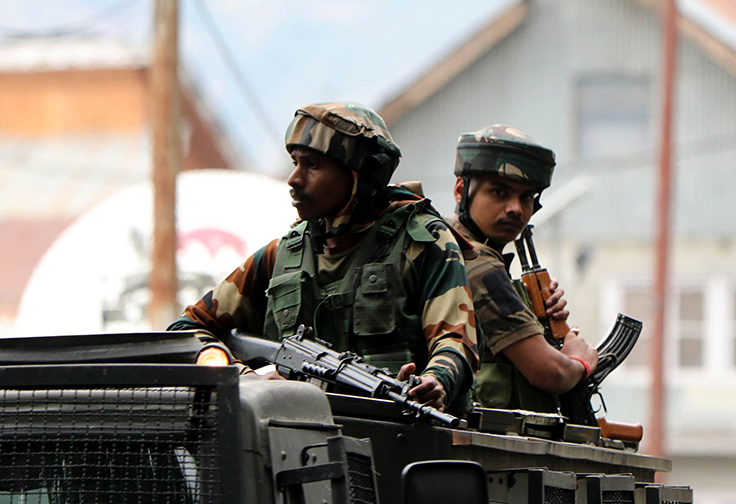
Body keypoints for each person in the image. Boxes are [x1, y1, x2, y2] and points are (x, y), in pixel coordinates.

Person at [170, 102, 478, 414]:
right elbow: (187, 330)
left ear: (359, 176)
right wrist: (248, 379)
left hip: (397, 430)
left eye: (313, 165)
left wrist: (435, 381)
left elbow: (456, 342)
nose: (294, 179)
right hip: (295, 432)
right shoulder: (282, 255)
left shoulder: (422, 241)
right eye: (295, 162)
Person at [447, 124, 598, 413]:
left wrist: (537, 317)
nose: (516, 208)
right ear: (461, 190)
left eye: (526, 197)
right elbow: (550, 372)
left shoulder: (443, 245)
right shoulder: (477, 261)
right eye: (499, 192)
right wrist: (580, 361)